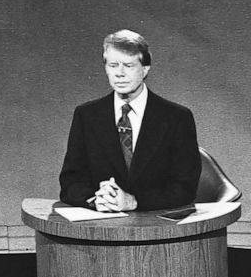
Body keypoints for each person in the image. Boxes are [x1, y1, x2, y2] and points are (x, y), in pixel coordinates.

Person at [59, 29, 201, 212]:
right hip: (102, 226)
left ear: (145, 69)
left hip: (157, 228)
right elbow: (70, 182)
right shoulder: (86, 115)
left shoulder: (177, 118)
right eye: (113, 65)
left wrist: (135, 201)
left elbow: (185, 188)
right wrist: (95, 200)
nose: (119, 73)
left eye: (128, 65)